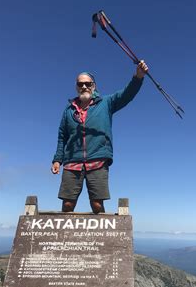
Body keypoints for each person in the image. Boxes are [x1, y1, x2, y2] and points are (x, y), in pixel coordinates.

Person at [51, 61, 148, 214]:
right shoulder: (68, 110)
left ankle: (99, 238)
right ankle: (65, 238)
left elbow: (126, 95)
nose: (84, 87)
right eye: (80, 84)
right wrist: (57, 159)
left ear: (94, 86)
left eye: (88, 83)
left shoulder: (106, 103)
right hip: (72, 162)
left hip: (98, 160)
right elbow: (62, 135)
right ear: (76, 87)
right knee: (68, 205)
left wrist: (138, 77)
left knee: (97, 205)